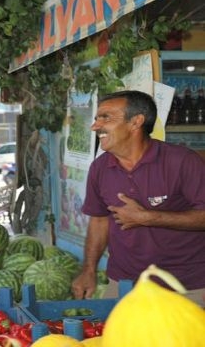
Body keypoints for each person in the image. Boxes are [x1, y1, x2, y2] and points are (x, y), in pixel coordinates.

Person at [71, 90, 205, 304]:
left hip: (188, 286)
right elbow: (99, 220)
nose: (95, 126)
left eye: (106, 117)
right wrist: (89, 270)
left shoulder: (182, 161)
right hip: (124, 284)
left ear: (136, 122)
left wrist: (148, 218)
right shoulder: (100, 168)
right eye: (97, 118)